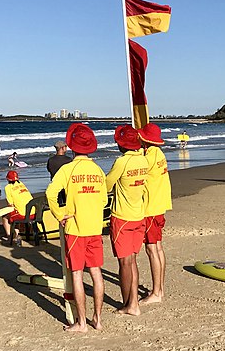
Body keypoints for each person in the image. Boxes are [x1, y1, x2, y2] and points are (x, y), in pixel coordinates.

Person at [45, 123, 107, 333]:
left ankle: (82, 323)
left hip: (75, 228)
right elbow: (103, 199)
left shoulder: (68, 169)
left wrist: (60, 214)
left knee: (78, 275)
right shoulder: (97, 170)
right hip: (94, 227)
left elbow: (51, 193)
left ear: (71, 147)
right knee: (96, 273)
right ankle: (97, 319)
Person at [105, 124, 148, 316]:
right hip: (139, 215)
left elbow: (107, 184)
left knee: (124, 263)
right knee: (132, 260)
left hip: (122, 216)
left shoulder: (122, 162)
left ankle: (128, 304)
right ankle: (134, 303)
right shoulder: (143, 160)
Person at [138, 123, 172, 305]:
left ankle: (157, 292)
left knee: (152, 249)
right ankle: (159, 288)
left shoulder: (148, 157)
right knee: (158, 247)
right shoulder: (159, 154)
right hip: (160, 205)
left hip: (150, 207)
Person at [2, 170, 34, 246]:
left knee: (5, 217)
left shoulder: (8, 187)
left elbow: (10, 204)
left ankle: (11, 237)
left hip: (23, 214)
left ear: (8, 179)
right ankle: (21, 232)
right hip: (33, 212)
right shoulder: (21, 184)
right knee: (15, 214)